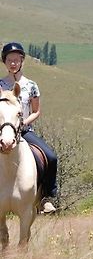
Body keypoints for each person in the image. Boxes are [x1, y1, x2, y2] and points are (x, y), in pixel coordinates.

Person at [0, 42, 58, 213]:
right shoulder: (0, 85)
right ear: (4, 62)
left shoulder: (31, 85)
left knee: (51, 157)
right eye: (10, 60)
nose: (13, 63)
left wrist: (24, 123)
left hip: (24, 131)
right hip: (2, 130)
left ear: (22, 61)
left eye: (16, 60)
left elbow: (36, 111)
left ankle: (46, 196)